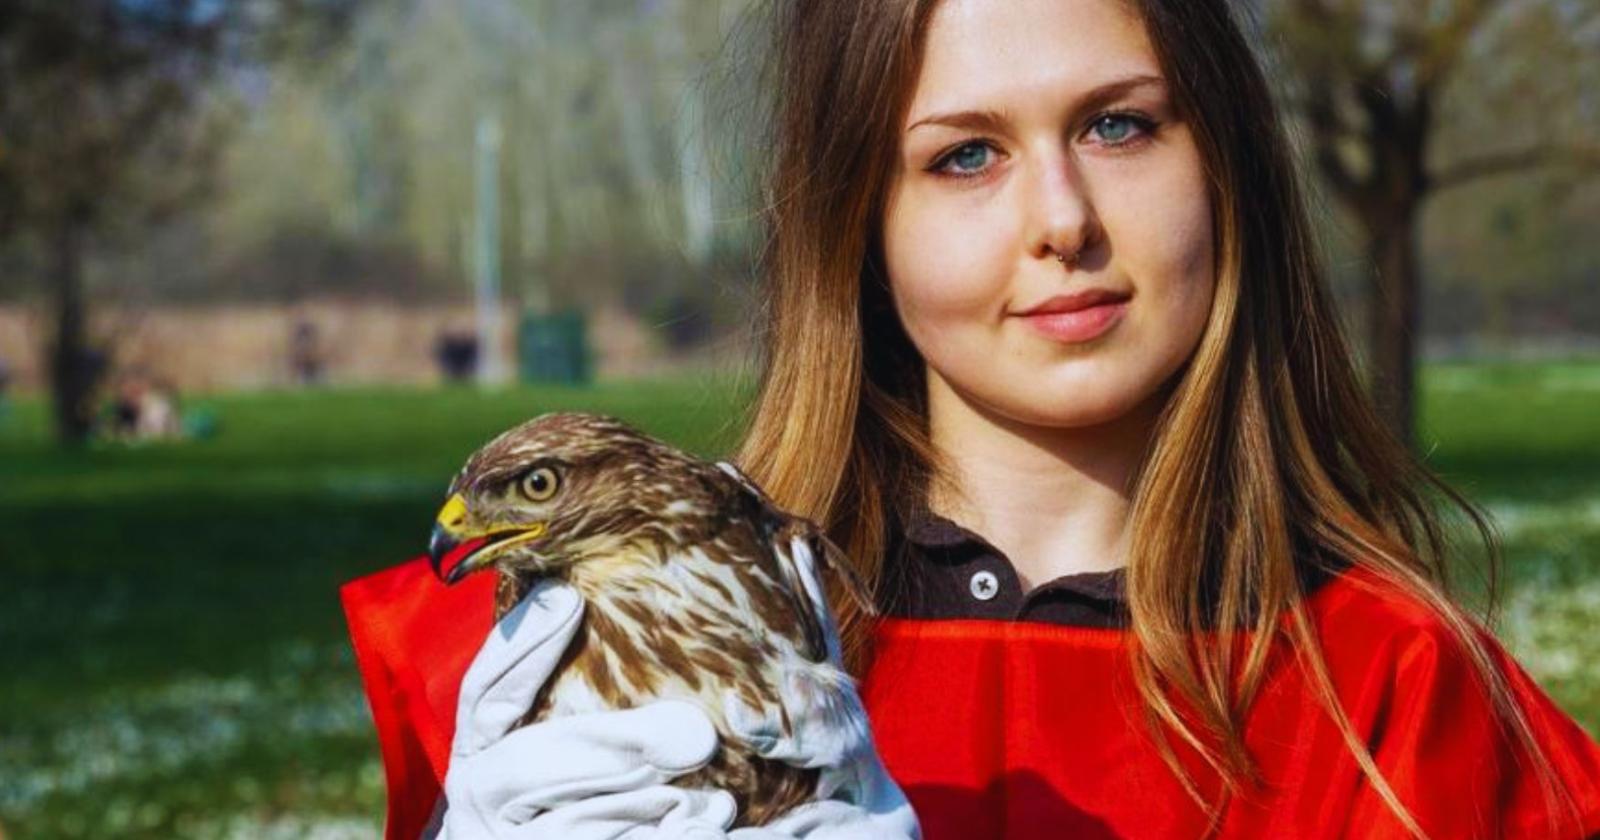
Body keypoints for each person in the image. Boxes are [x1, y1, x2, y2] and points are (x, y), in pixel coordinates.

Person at [341, 1, 1600, 838]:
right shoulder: (509, 677)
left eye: (1119, 125)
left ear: (1225, 165)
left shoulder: (1398, 700)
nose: (1062, 218)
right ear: (858, 222)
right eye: (964, 156)